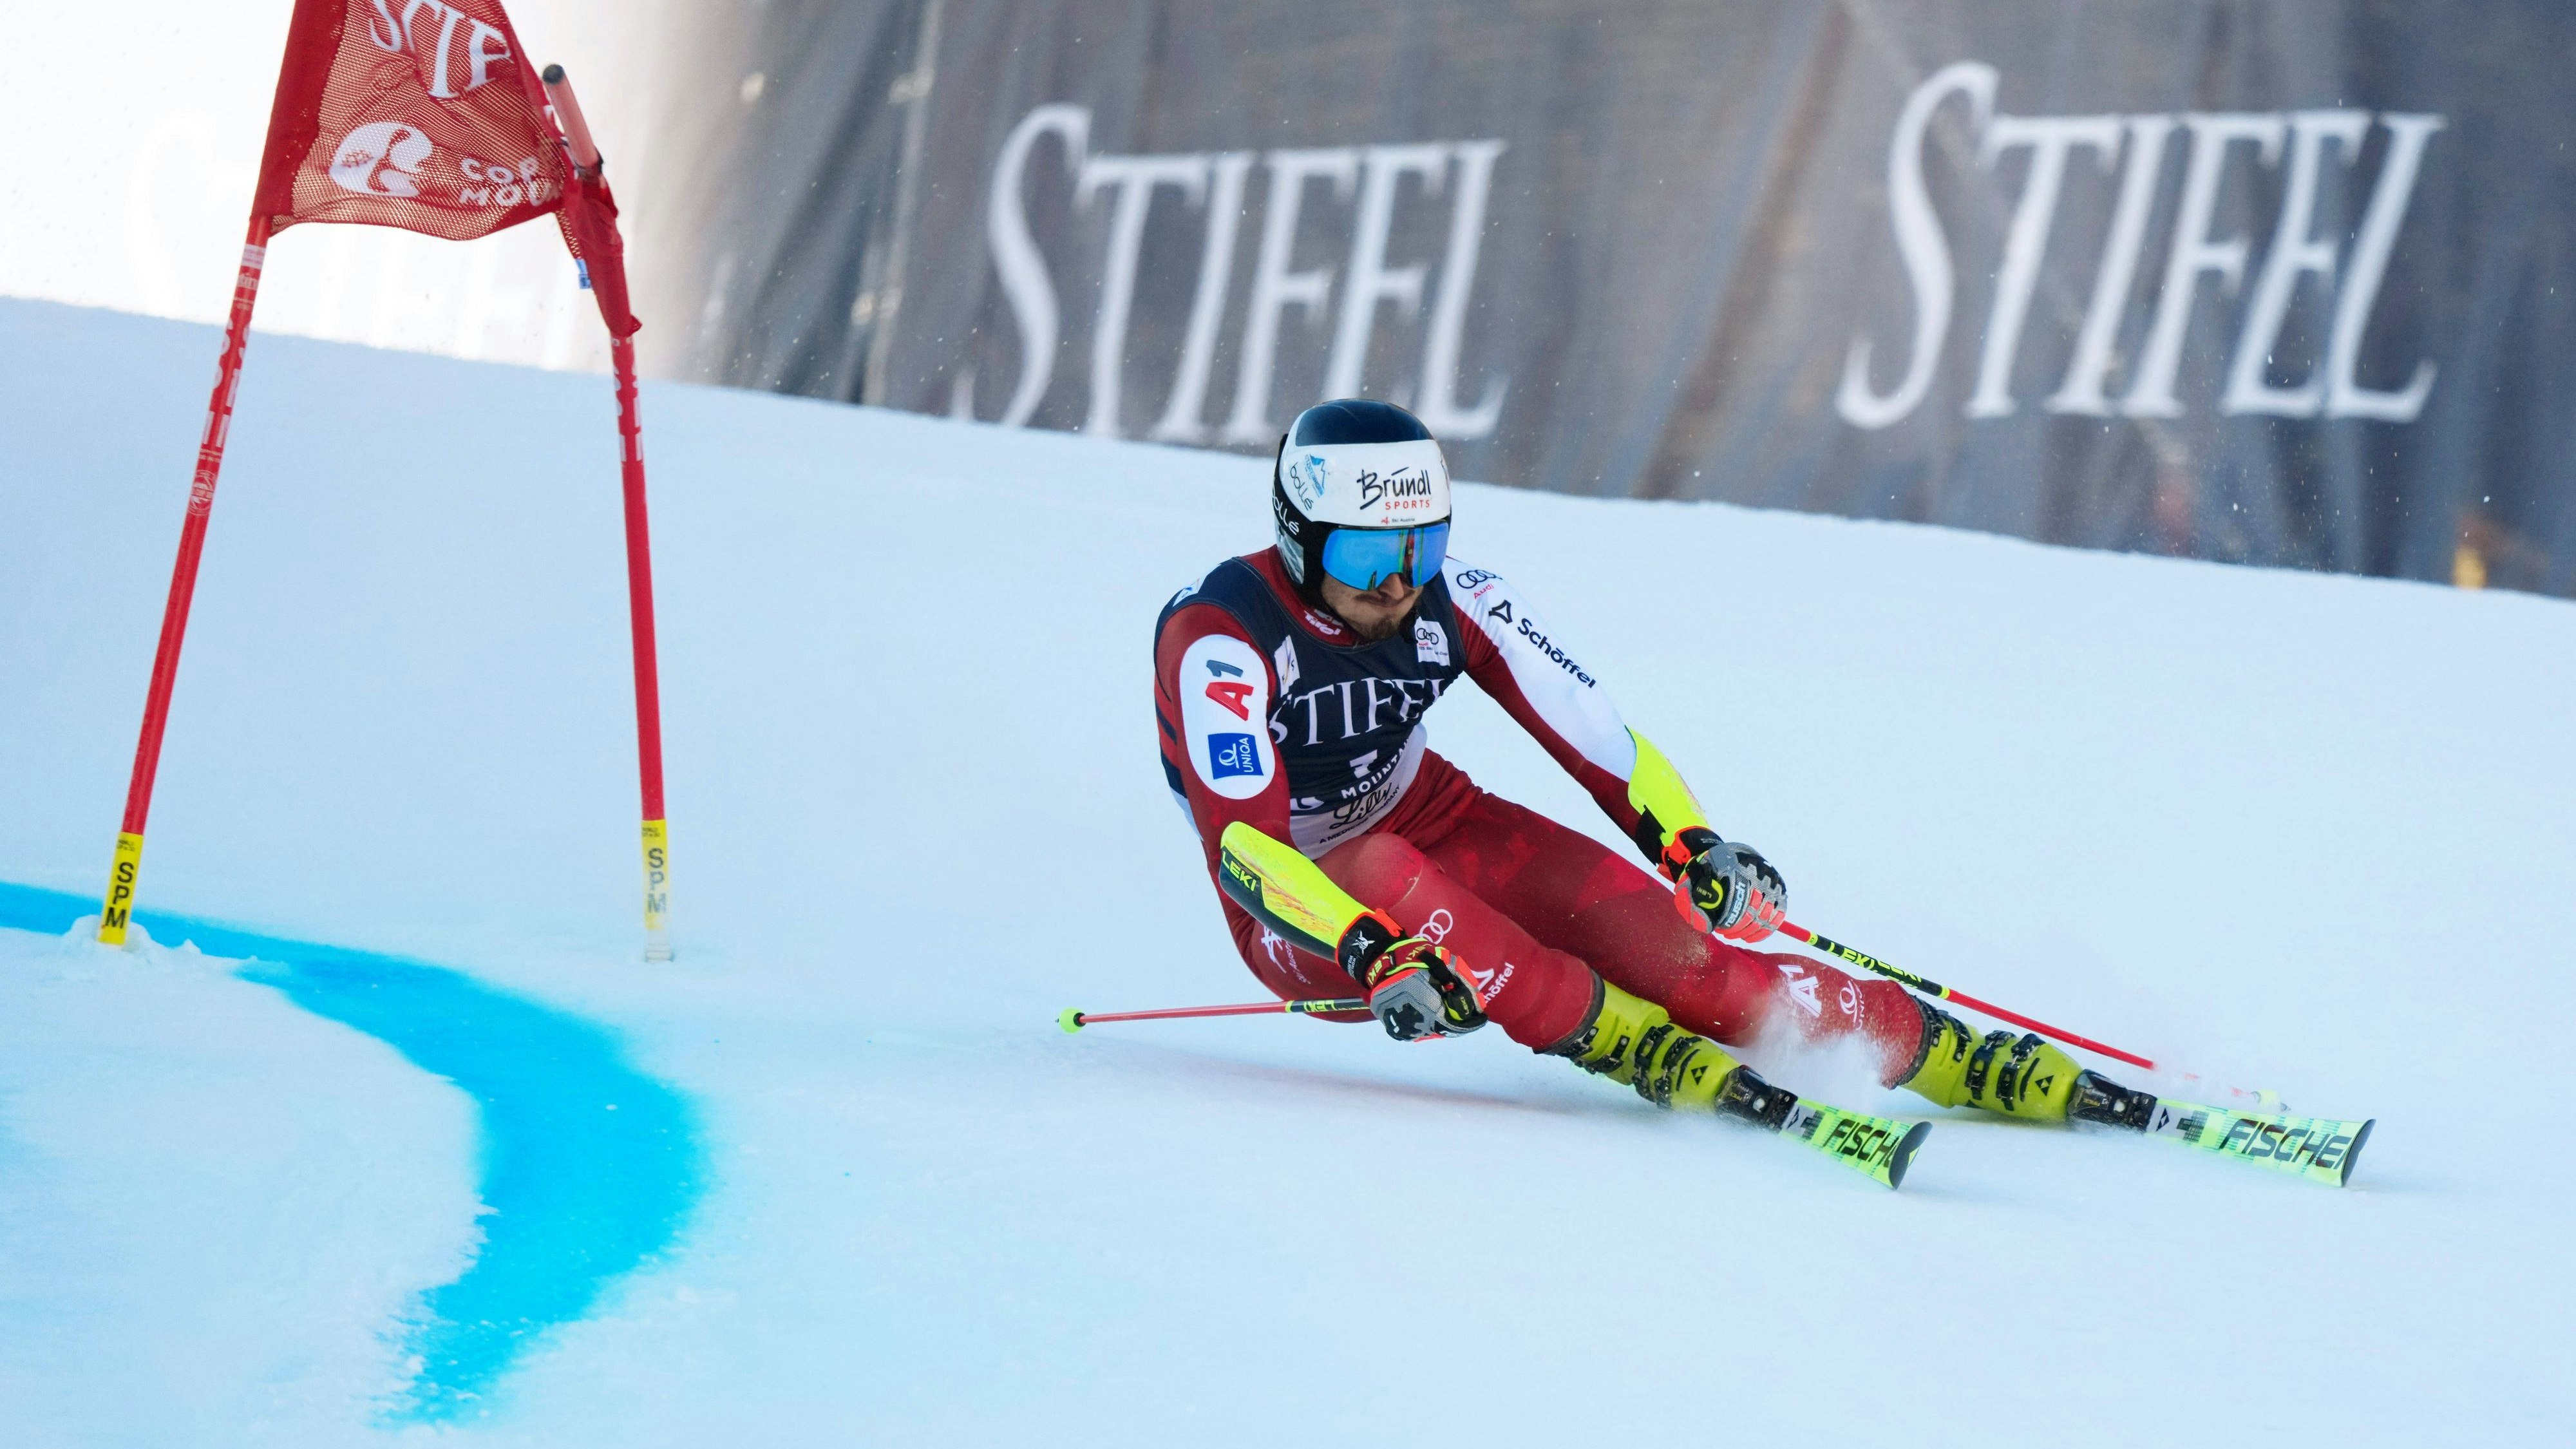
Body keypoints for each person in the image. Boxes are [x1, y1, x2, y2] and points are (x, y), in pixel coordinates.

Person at [1153, 398, 2152, 1130]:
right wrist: (1375, 951)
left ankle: (1946, 1049)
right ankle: (1617, 1036)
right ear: (1297, 537)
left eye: (1421, 551)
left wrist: (1691, 843)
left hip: (1438, 820)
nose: (1400, 588)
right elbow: (1247, 846)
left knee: (1706, 973)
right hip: (1298, 908)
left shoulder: (1455, 598)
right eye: (1371, 563)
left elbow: (1598, 739)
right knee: (1375, 872)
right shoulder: (1224, 640)